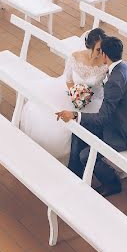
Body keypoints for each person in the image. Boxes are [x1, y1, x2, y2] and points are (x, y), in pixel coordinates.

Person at [57, 36, 127, 196]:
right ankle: (75, 176)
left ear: (105, 56)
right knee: (78, 133)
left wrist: (75, 114)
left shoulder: (113, 81)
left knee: (85, 154)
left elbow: (102, 118)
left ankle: (112, 183)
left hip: (125, 134)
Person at [17, 28, 109, 164]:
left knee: (83, 125)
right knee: (45, 117)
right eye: (98, 49)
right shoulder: (76, 57)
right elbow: (68, 80)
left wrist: (87, 97)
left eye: (102, 49)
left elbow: (105, 87)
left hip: (93, 100)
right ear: (89, 46)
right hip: (73, 95)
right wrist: (75, 95)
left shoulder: (105, 63)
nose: (100, 53)